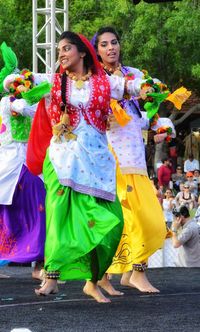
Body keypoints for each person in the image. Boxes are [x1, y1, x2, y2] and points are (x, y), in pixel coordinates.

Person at [25, 30, 153, 302]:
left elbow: (131, 87)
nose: (61, 54)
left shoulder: (104, 83)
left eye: (67, 48)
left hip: (96, 161)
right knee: (59, 216)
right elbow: (23, 81)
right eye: (59, 49)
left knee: (109, 222)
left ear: (82, 52)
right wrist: (16, 81)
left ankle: (93, 280)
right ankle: (51, 277)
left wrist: (149, 88)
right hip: (62, 160)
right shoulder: (54, 81)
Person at [93, 26, 176, 292]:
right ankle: (106, 275)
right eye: (104, 44)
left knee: (148, 217)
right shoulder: (95, 80)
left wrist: (158, 129)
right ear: (96, 51)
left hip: (135, 156)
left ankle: (133, 272)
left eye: (114, 42)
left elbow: (146, 110)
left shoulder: (137, 75)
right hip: (107, 157)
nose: (110, 48)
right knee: (117, 220)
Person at [0, 42, 51, 279]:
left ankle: (40, 264)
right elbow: (25, 109)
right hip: (11, 164)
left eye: (21, 83)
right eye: (14, 85)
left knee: (40, 209)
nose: (18, 88)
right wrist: (38, 97)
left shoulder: (29, 101)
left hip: (31, 162)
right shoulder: (7, 103)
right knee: (10, 212)